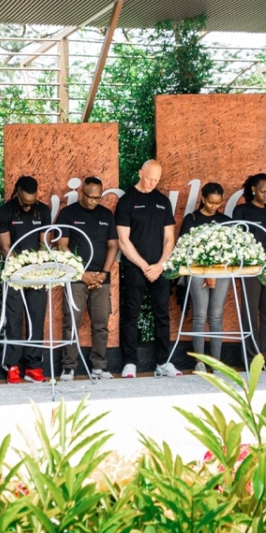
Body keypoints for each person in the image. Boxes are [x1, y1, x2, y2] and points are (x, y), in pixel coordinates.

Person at [116, 160, 178, 378]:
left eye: (156, 179)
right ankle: (130, 363)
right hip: (135, 268)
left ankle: (163, 362)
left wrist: (160, 265)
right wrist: (144, 266)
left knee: (162, 315)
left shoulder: (163, 201)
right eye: (149, 177)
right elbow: (123, 241)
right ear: (140, 172)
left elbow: (170, 238)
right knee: (131, 314)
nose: (152, 182)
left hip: (160, 268)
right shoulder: (126, 201)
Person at [56, 176, 118, 381]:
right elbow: (62, 245)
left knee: (101, 323)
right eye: (90, 197)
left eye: (98, 198)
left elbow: (113, 246)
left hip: (101, 278)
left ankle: (99, 366)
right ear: (82, 193)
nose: (94, 201)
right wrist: (81, 273)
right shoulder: (68, 213)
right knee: (70, 322)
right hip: (76, 278)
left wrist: (104, 273)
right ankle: (68, 367)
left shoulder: (106, 215)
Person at [0, 176, 52, 384]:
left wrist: (37, 267)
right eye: (24, 203)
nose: (28, 207)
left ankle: (33, 366)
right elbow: (4, 247)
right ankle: (12, 366)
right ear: (16, 193)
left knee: (36, 318)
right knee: (14, 319)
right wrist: (19, 268)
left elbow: (45, 243)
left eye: (32, 203)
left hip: (37, 273)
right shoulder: (4, 212)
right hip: (14, 273)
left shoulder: (43, 211)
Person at [232, 173, 266, 373]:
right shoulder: (241, 211)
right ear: (253, 189)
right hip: (250, 267)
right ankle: (252, 360)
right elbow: (236, 241)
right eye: (263, 191)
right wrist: (253, 265)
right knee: (249, 313)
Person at [176, 182, 230, 373]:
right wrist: (206, 271)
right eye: (210, 202)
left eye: (218, 203)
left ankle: (216, 362)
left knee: (216, 316)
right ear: (203, 199)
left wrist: (214, 272)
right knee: (199, 316)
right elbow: (184, 247)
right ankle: (199, 361)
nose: (214, 206)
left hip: (222, 273)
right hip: (197, 272)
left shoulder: (225, 220)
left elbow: (229, 249)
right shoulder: (192, 219)